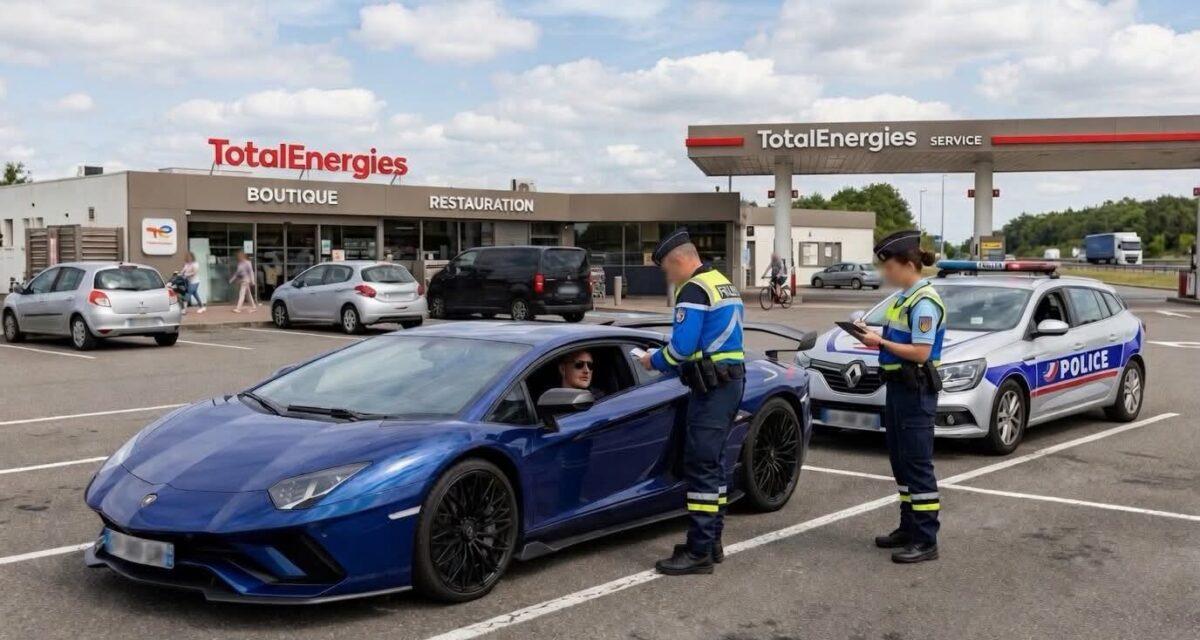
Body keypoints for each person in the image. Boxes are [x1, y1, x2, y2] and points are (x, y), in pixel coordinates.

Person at [638, 227, 745, 576]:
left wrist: (651, 361)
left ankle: (699, 552)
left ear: (679, 259)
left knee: (701, 465)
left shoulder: (694, 289)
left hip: (712, 387)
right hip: (729, 383)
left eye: (667, 269)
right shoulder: (721, 282)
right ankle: (710, 542)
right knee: (713, 464)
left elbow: (682, 348)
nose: (668, 277)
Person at [853, 229, 944, 563]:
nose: (885, 272)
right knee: (901, 462)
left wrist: (881, 343)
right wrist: (872, 337)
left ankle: (925, 538)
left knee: (918, 465)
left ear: (907, 263)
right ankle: (908, 528)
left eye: (888, 265)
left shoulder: (924, 302)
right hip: (898, 388)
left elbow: (921, 352)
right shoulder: (904, 299)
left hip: (915, 389)